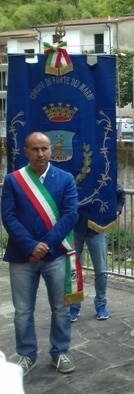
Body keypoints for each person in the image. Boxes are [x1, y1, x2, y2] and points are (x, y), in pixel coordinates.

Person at [2, 132, 79, 376]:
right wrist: (29, 246)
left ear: (51, 150)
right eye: (35, 149)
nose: (40, 154)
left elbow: (70, 215)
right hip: (22, 256)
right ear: (26, 151)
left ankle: (60, 352)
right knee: (23, 311)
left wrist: (44, 244)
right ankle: (27, 354)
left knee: (60, 308)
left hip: (55, 255)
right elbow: (9, 217)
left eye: (44, 149)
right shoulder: (13, 180)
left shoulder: (65, 179)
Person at [69, 184, 125, 322]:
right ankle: (74, 307)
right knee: (73, 270)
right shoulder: (76, 175)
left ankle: (101, 305)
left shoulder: (98, 173)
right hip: (75, 229)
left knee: (101, 271)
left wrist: (116, 210)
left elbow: (120, 193)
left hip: (97, 230)